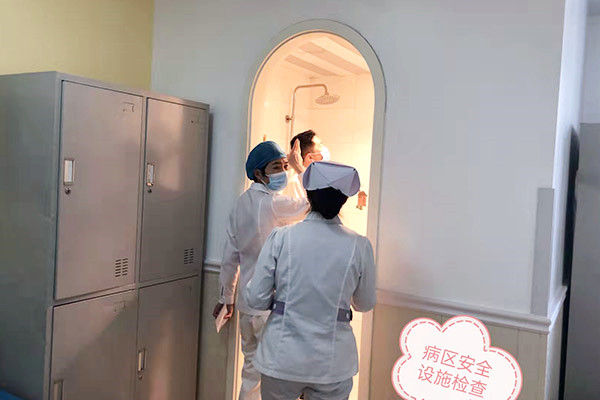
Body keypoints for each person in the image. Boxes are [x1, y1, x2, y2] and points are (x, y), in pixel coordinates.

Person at [246, 161, 376, 400]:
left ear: (309, 195)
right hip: (333, 363)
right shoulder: (360, 245)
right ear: (343, 200)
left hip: (282, 358)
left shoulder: (282, 237)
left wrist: (283, 301)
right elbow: (365, 303)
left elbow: (256, 298)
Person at [214, 141, 310, 400]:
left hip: (247, 306)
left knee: (251, 371)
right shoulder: (272, 203)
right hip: (270, 307)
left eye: (285, 166)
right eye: (276, 167)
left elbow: (230, 256)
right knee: (277, 377)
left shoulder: (240, 204)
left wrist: (226, 298)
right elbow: (312, 203)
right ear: (258, 173)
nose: (283, 172)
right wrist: (301, 169)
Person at [285, 130, 331, 199]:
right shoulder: (295, 183)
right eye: (320, 145)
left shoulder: (319, 178)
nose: (325, 149)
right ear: (310, 157)